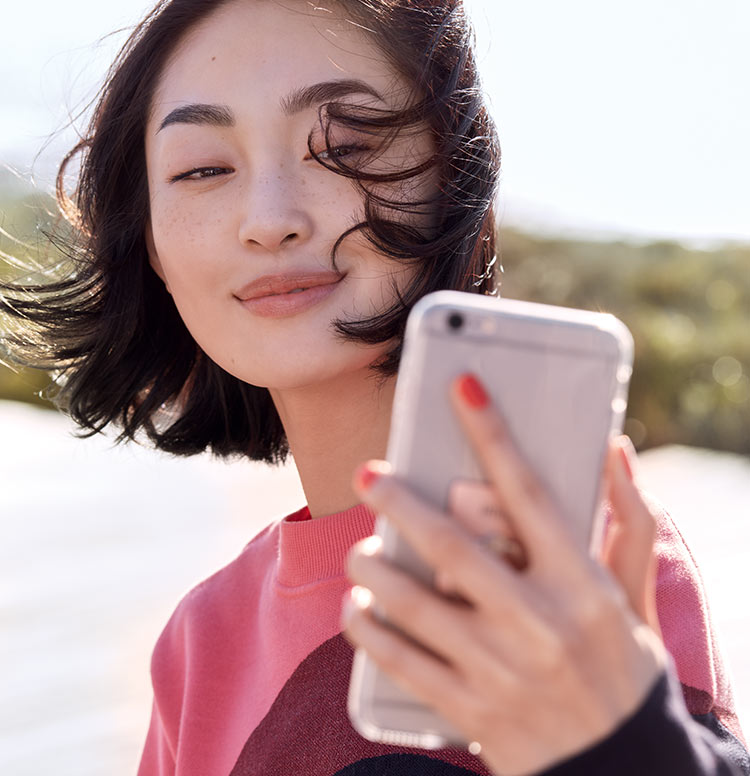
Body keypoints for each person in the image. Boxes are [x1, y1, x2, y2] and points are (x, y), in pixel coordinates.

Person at [1, 0, 748, 773]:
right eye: (202, 169)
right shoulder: (200, 644)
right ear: (151, 243)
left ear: (452, 176)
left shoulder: (583, 564)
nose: (269, 219)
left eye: (344, 144)